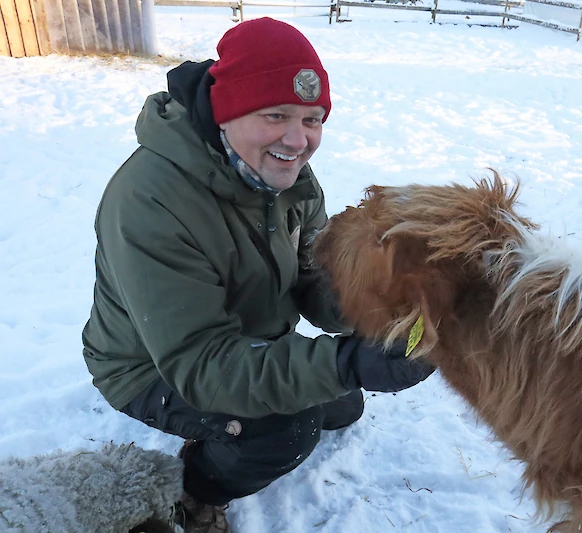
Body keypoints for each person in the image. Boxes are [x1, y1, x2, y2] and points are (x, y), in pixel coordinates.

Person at [82, 17, 435, 533]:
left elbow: (313, 277)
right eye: (276, 115)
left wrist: (384, 311)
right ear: (228, 112)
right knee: (287, 429)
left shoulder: (284, 175)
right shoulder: (149, 202)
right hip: (151, 366)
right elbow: (200, 362)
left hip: (248, 338)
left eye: (313, 119)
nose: (299, 139)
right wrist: (345, 361)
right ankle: (192, 492)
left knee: (342, 407)